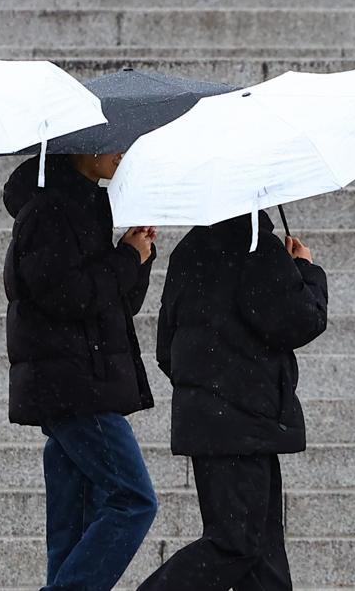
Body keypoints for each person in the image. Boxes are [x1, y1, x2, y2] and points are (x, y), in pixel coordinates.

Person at [138, 209, 328, 591]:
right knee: (237, 545)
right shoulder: (255, 245)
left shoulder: (189, 249)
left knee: (263, 555)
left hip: (216, 420)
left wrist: (206, 388)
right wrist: (307, 271)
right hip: (246, 421)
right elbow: (301, 320)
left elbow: (166, 350)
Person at [3, 151, 160, 590]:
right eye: (114, 144)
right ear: (83, 147)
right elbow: (67, 296)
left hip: (80, 380)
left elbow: (117, 304)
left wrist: (139, 256)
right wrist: (127, 258)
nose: (124, 153)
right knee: (133, 500)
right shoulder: (48, 210)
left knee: (72, 526)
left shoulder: (86, 206)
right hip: (73, 385)